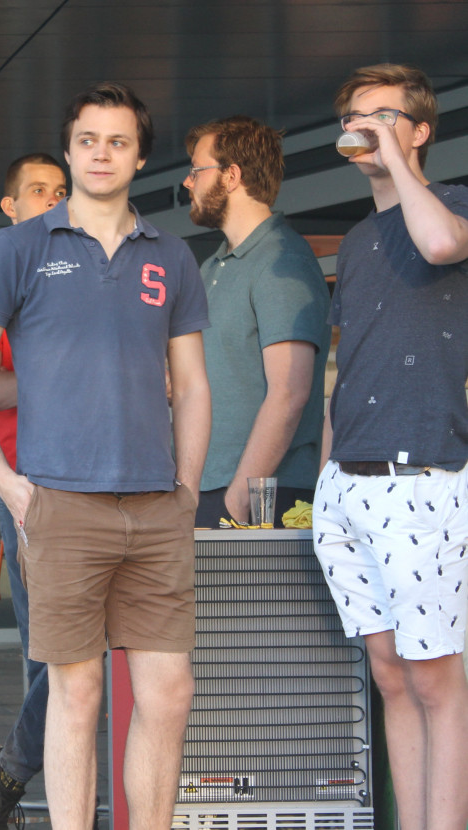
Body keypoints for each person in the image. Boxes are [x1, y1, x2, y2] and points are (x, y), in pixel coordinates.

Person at [0, 82, 211, 830]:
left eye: (117, 141)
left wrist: (186, 486)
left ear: (139, 156)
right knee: (76, 693)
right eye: (87, 140)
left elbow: (191, 387)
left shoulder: (172, 258)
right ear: (70, 150)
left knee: (168, 692)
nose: (101, 153)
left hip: (156, 504)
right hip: (59, 503)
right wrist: (5, 481)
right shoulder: (19, 248)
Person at [313, 63, 468, 830]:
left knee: (436, 682)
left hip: (423, 475)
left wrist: (396, 162)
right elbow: (350, 363)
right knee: (390, 677)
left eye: (383, 114)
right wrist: (321, 483)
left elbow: (439, 244)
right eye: (353, 114)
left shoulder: (453, 208)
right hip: (348, 485)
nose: (362, 124)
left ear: (419, 129)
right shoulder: (358, 240)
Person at [0, 152, 68, 830]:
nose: (52, 200)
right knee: (55, 652)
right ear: (9, 207)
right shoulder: (4, 269)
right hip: (29, 487)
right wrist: (68, 378)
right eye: (37, 191)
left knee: (79, 654)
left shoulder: (79, 272)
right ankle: (14, 771)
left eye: (59, 191)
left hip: (99, 484)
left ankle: (16, 769)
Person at [182, 116, 331, 527]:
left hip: (258, 500)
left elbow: (289, 392)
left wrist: (237, 499)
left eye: (197, 170)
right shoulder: (212, 265)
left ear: (231, 176)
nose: (187, 183)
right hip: (205, 491)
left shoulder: (283, 260)